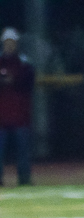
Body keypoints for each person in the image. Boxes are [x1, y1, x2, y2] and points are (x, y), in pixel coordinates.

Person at [0, 27, 35, 186]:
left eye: (12, 42)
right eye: (7, 42)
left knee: (23, 151)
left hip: (21, 116)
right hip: (1, 117)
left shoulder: (24, 63)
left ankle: (24, 178)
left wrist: (13, 80)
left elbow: (28, 83)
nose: (9, 45)